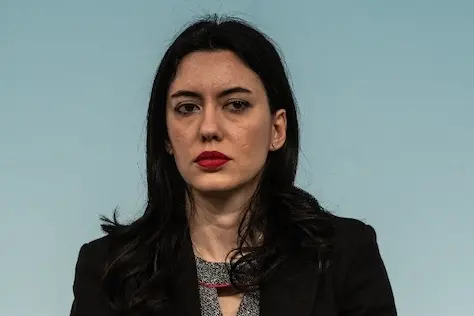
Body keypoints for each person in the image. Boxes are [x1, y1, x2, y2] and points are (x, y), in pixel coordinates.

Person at [70, 15, 397, 316]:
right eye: (187, 108)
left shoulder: (344, 256)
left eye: (236, 105)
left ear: (277, 129)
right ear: (166, 136)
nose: (208, 128)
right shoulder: (107, 269)